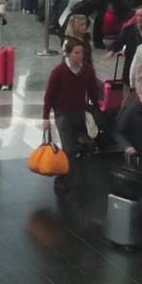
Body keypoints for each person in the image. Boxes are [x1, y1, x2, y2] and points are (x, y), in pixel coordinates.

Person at [41, 40, 101, 193]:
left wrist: (97, 109)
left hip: (79, 112)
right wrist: (45, 117)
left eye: (82, 52)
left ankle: (73, 176)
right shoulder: (58, 72)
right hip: (62, 114)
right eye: (77, 52)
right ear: (68, 53)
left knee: (81, 146)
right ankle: (64, 178)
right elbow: (49, 96)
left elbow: (93, 91)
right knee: (68, 149)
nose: (80, 56)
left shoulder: (87, 70)